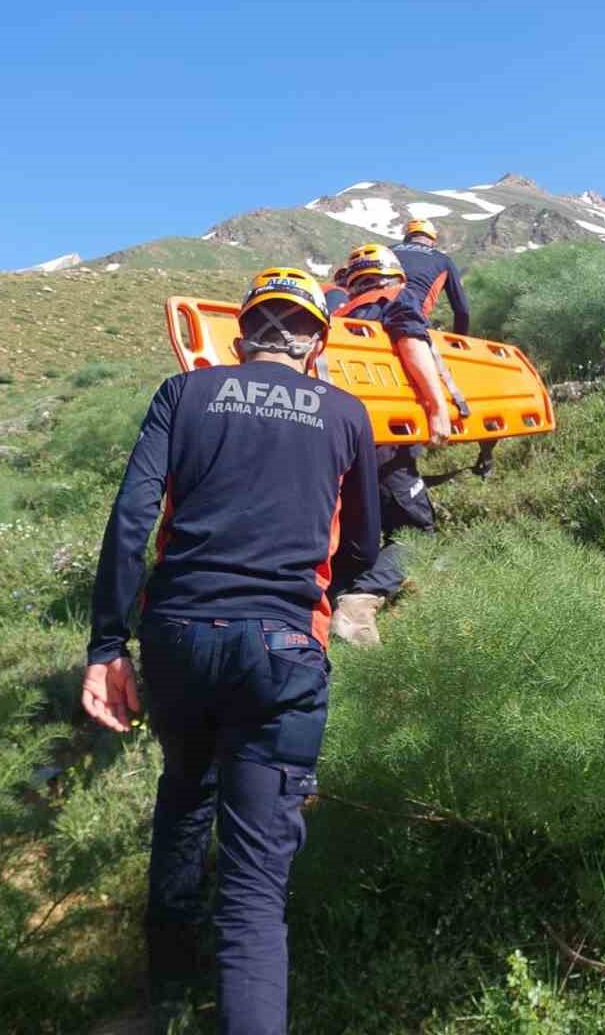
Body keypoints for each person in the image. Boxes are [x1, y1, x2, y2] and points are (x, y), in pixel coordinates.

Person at [83, 265, 381, 1034]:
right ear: (317, 339)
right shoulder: (348, 415)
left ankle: (170, 996)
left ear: (241, 334)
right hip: (284, 646)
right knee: (253, 896)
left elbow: (128, 523)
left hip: (178, 637)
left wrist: (107, 645)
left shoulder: (183, 395)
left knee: (185, 794)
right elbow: (366, 547)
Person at [329, 244, 450, 643]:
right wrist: (436, 408)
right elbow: (412, 343)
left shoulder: (337, 319)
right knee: (416, 532)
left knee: (356, 532)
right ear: (394, 276)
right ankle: (357, 605)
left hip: (338, 441)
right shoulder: (398, 299)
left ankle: (329, 606)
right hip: (386, 441)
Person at [394, 218, 495, 478]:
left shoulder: (388, 249)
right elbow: (462, 309)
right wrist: (459, 344)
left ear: (407, 237)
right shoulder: (442, 259)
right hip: (409, 324)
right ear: (431, 239)